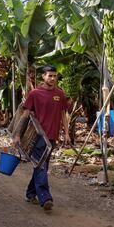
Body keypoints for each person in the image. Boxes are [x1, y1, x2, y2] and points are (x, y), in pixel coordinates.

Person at [13, 64, 70, 212]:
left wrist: (67, 133)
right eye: (49, 75)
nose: (52, 78)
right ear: (43, 77)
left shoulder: (60, 94)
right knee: (41, 166)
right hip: (38, 137)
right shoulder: (35, 94)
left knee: (41, 166)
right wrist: (17, 135)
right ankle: (45, 198)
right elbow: (25, 115)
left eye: (54, 75)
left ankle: (30, 193)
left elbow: (63, 115)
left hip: (52, 138)